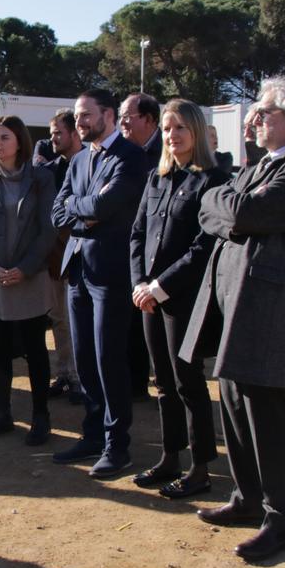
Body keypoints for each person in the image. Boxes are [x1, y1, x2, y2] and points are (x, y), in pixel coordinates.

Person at [180, 76, 285, 562]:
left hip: (270, 309)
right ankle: (247, 499)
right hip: (236, 302)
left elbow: (243, 212)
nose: (254, 118)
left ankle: (280, 521)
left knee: (266, 413)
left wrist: (224, 207)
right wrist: (225, 207)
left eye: (264, 112)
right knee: (231, 400)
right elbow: (211, 208)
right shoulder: (268, 162)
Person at [128, 100, 227, 498]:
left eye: (180, 128)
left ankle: (201, 467)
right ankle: (170, 456)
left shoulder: (213, 180)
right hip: (149, 299)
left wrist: (160, 286)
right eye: (168, 129)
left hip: (185, 299)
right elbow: (137, 235)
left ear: (197, 133)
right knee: (163, 383)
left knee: (188, 383)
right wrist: (140, 284)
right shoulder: (157, 178)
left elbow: (203, 248)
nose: (172, 135)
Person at [51, 89, 151, 479]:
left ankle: (117, 446)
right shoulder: (77, 161)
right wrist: (84, 211)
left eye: (85, 115)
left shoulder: (131, 157)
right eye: (77, 116)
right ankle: (92, 434)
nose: (79, 122)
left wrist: (84, 207)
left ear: (108, 115)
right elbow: (58, 213)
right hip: (78, 272)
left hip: (111, 275)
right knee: (86, 361)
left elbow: (105, 208)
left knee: (110, 361)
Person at [0, 116, 57, 444]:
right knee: (0, 350)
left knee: (35, 350)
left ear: (19, 141)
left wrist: (25, 268)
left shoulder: (41, 179)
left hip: (29, 279)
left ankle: (40, 416)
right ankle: (2, 414)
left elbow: (48, 230)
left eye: (4, 137)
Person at [118, 92, 163, 402]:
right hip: (128, 249)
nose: (122, 123)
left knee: (158, 326)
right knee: (132, 321)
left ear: (148, 120)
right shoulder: (120, 152)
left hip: (161, 252)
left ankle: (165, 385)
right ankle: (135, 386)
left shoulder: (166, 152)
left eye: (128, 117)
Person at [38, 110, 84, 405]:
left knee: (79, 321)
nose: (52, 138)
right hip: (53, 257)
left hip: (82, 255)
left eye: (58, 133)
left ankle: (81, 379)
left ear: (74, 134)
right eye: (51, 133)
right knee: (57, 319)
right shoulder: (48, 170)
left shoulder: (91, 165)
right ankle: (65, 373)